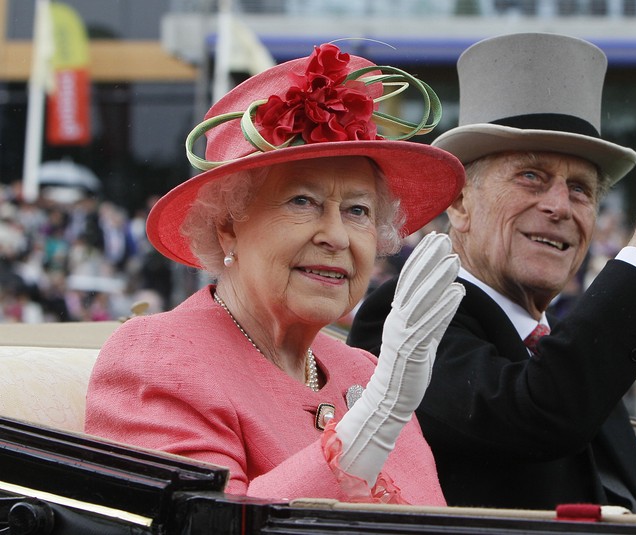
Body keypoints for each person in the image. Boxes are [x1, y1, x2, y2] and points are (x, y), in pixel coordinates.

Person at [348, 32, 636, 513]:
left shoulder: (561, 349)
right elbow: (537, 415)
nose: (558, 206)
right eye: (531, 176)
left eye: (580, 189)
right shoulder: (405, 315)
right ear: (460, 202)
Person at [85, 43, 467, 505]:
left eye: (358, 210)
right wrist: (372, 421)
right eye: (302, 202)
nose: (337, 236)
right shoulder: (157, 357)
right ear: (227, 226)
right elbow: (203, 522)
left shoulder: (362, 370)